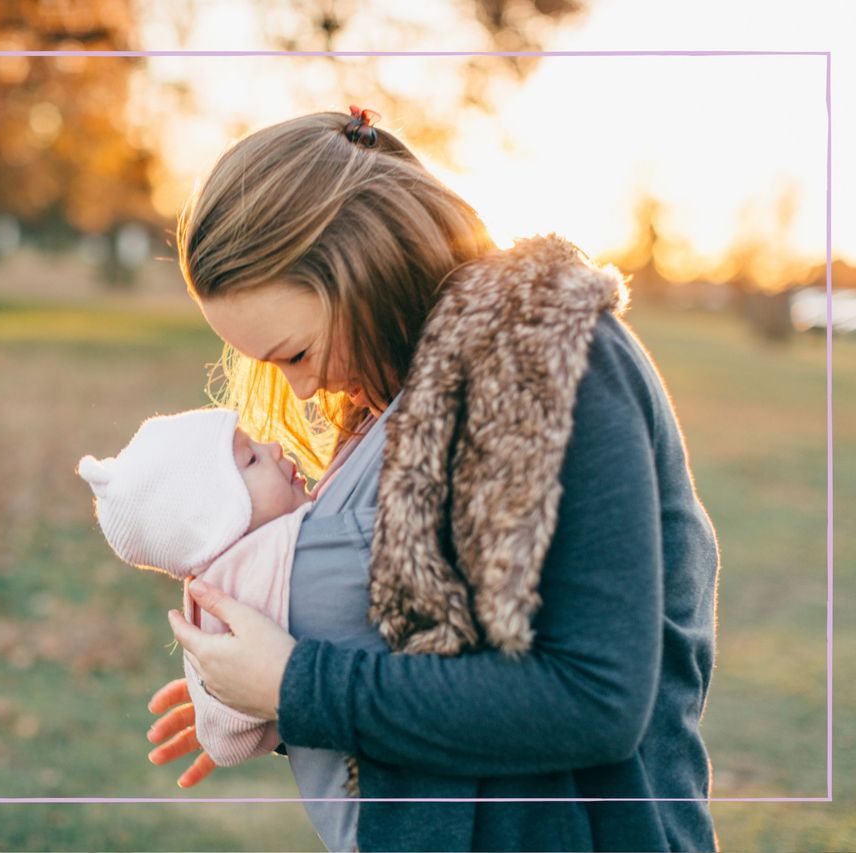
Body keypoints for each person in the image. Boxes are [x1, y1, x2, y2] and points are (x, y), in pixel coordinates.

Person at [146, 106, 721, 852]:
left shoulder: (552, 358)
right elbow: (432, 664)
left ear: (360, 266)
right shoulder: (403, 402)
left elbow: (594, 700)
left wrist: (300, 684)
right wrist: (270, 699)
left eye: (295, 353)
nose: (304, 392)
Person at [77, 408, 313, 766]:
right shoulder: (239, 585)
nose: (276, 448)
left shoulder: (281, 544)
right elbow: (228, 736)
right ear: (219, 523)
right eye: (252, 458)